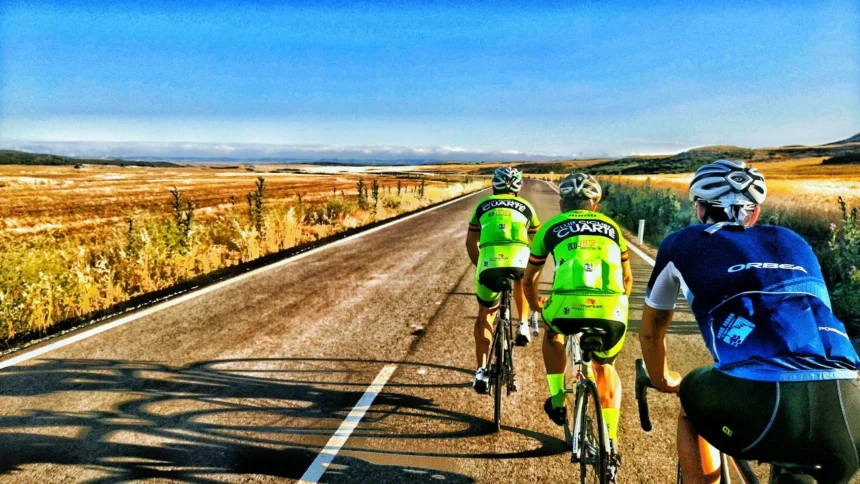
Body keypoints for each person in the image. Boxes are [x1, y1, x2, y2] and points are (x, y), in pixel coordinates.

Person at [640, 160, 860, 483]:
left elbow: (651, 332)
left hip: (759, 401)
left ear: (701, 211)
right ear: (754, 213)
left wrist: (662, 379)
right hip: (848, 407)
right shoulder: (796, 241)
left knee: (690, 404)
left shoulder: (682, 243)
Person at [523, 173, 633, 457]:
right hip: (612, 308)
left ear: (562, 203)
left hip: (565, 306)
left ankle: (558, 400)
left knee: (553, 334)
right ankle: (611, 442)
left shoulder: (551, 227)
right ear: (594, 205)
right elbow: (628, 279)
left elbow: (528, 280)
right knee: (605, 368)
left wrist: (535, 306)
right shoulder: (612, 228)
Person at [466, 166, 541, 394]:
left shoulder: (482, 206)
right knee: (522, 280)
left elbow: (470, 243)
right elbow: (536, 243)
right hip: (519, 260)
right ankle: (523, 325)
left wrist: (480, 265)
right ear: (518, 188)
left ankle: (480, 370)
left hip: (489, 263)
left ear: (494, 185)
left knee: (485, 313)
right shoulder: (527, 206)